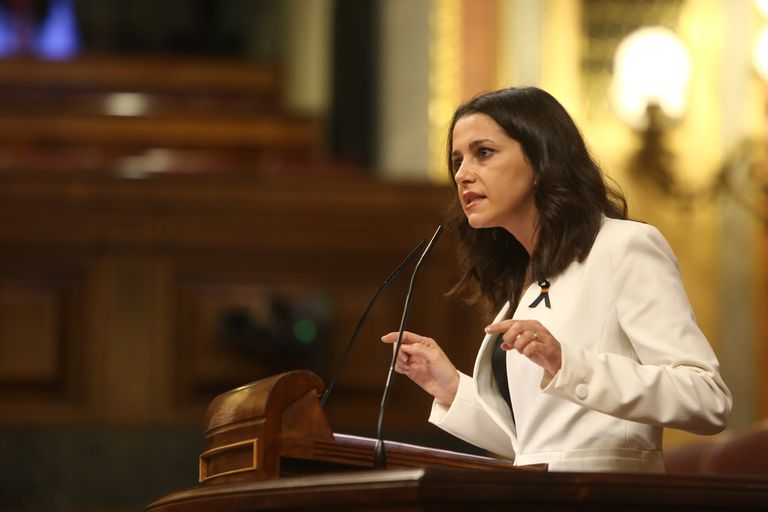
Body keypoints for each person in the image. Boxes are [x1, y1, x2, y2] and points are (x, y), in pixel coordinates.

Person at [381, 86, 732, 473]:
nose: (462, 174)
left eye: (483, 153)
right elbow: (540, 444)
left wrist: (567, 362)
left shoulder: (624, 246)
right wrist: (449, 386)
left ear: (541, 157)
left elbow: (707, 400)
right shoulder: (525, 278)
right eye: (457, 160)